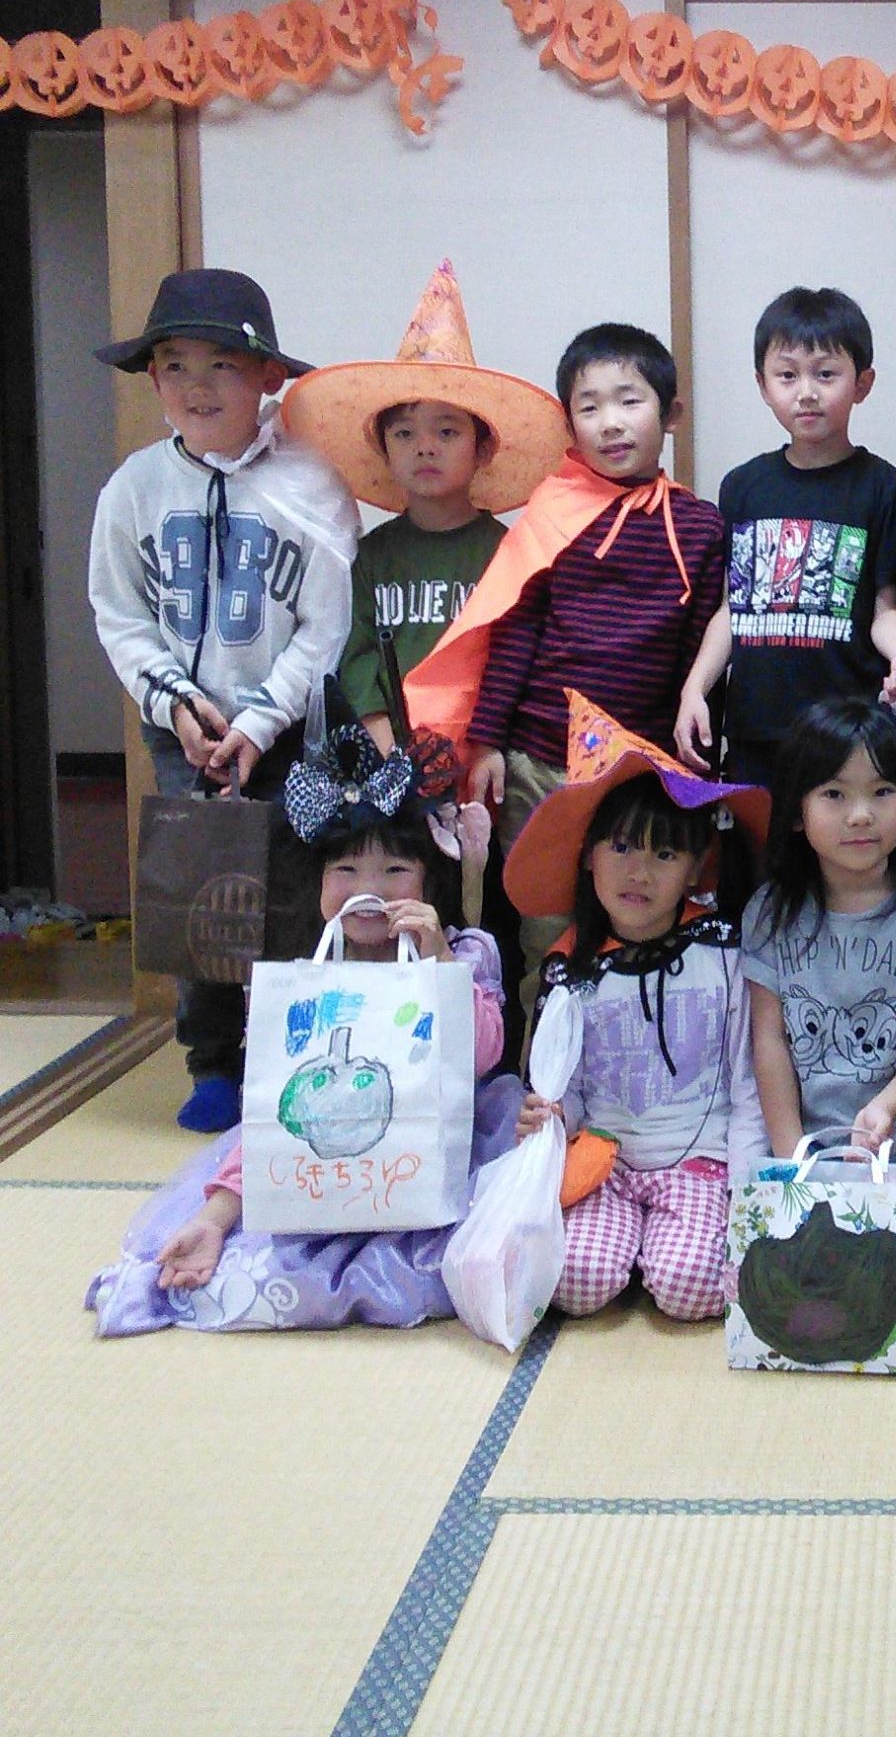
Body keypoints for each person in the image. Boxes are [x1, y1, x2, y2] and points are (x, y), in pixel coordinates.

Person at [89, 707, 517, 1334]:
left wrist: (439, 962)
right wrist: (215, 1219)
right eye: (345, 870)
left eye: (395, 871)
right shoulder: (308, 980)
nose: (369, 888)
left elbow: (482, 1054)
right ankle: (215, 1232)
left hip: (431, 1158)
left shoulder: (462, 953)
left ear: (430, 885)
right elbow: (274, 1123)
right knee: (255, 1231)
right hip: (323, 1166)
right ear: (319, 883)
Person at [88, 269, 360, 1131]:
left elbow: (328, 625)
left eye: (222, 365)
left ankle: (287, 1058)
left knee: (291, 893)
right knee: (200, 892)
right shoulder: (133, 489)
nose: (197, 386)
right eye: (175, 365)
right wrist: (173, 702)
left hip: (287, 728)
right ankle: (211, 1061)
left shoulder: (313, 484)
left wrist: (260, 719)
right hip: (184, 729)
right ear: (153, 378)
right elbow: (118, 613)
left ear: (268, 376)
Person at [406, 321, 726, 1014]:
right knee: (544, 927)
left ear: (671, 413)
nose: (611, 422)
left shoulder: (701, 525)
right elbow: (514, 629)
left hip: (636, 772)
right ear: (569, 423)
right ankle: (540, 1062)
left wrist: (687, 760)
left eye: (629, 401)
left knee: (640, 923)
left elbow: (700, 647)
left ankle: (625, 1055)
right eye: (590, 406)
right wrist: (487, 741)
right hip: (539, 758)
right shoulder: (552, 512)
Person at [506, 695, 769, 1323]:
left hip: (701, 1162)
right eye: (621, 848)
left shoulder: (724, 953)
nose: (640, 872)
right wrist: (548, 1116)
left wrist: (749, 1193)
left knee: (691, 1289)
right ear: (588, 855)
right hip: (605, 1160)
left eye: (665, 854)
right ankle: (630, 1248)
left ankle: (666, 1253)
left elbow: (749, 1081)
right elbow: (564, 1089)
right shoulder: (571, 969)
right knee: (575, 1282)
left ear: (696, 868)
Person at [740, 698, 896, 1302]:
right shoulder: (770, 912)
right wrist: (791, 1160)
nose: (861, 814)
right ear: (797, 813)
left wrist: (885, 1108)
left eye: (883, 791)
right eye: (834, 794)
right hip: (812, 1150)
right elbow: (768, 1037)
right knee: (787, 1289)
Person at [282, 261, 567, 744]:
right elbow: (356, 658)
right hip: (390, 755)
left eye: (447, 432)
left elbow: (522, 660)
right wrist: (387, 746)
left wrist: (488, 745)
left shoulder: (511, 554)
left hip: (485, 754)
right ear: (384, 449)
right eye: (405, 433)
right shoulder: (370, 557)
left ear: (483, 449)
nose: (425, 447)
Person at [674, 286, 896, 788]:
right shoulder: (743, 486)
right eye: (787, 375)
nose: (806, 392)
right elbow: (732, 609)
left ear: (862, 383)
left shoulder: (885, 487)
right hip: (756, 729)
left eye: (825, 374)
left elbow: (885, 609)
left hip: (847, 731)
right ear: (763, 385)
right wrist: (695, 688)